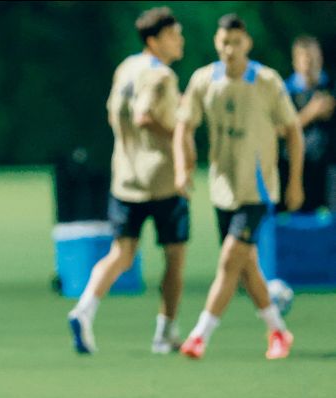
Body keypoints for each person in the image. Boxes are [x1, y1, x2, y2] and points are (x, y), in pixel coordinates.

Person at [174, 14, 305, 360]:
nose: (229, 49)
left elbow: (293, 130)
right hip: (223, 188)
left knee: (231, 258)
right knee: (245, 268)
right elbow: (183, 125)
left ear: (247, 43)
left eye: (236, 42)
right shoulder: (204, 79)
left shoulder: (266, 81)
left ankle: (199, 336)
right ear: (216, 43)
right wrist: (182, 167)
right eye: (224, 42)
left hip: (257, 189)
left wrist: (295, 182)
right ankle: (279, 332)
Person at [68, 7, 188, 355]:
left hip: (126, 177)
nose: (179, 40)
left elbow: (115, 115)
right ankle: (165, 333)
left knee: (121, 253)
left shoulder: (126, 67)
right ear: (154, 40)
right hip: (163, 179)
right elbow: (143, 115)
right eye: (173, 35)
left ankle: (84, 310)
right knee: (175, 257)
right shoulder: (161, 75)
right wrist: (177, 136)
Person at [278, 35, 336, 213]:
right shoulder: (285, 91)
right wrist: (310, 113)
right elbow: (279, 130)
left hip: (329, 167)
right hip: (296, 168)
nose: (310, 64)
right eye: (306, 59)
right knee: (295, 219)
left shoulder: (331, 86)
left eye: (314, 59)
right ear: (296, 62)